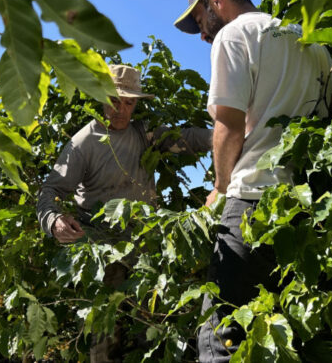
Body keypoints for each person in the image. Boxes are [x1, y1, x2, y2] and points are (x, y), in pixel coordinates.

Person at [174, 0, 332, 361]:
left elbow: (228, 123)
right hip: (305, 209)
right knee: (287, 335)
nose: (203, 34)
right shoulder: (308, 37)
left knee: (222, 334)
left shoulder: (234, 36)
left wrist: (219, 187)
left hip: (252, 201)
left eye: (202, 20)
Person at [37, 64, 212, 362]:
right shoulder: (82, 144)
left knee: (153, 328)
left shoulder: (144, 135)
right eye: (113, 100)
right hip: (105, 250)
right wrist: (54, 221)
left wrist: (227, 135)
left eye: (128, 102)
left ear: (136, 104)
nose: (120, 109)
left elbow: (186, 138)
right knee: (104, 331)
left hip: (146, 247)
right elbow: (48, 193)